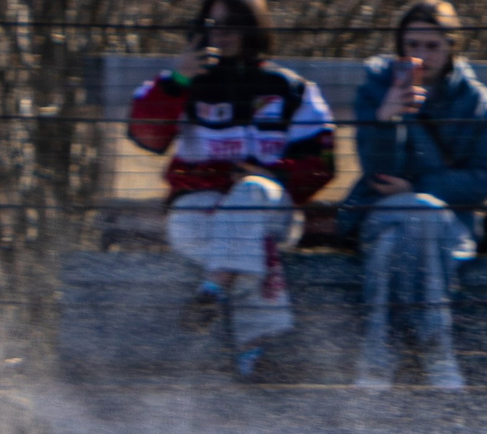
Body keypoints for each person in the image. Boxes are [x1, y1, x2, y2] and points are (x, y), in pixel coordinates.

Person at [128, 0, 335, 381]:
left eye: (233, 25)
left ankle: (213, 288)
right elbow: (147, 136)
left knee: (251, 194)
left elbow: (323, 164)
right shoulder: (180, 82)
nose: (221, 34)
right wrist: (178, 80)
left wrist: (273, 175)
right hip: (201, 210)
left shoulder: (290, 89)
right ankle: (253, 357)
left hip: (272, 206)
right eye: (212, 25)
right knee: (240, 242)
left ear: (254, 29)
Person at [338, 1, 487, 391]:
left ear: (452, 47)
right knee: (416, 220)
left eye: (432, 46)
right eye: (412, 44)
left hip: (445, 223)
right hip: (380, 210)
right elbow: (377, 172)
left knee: (400, 238)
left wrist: (420, 191)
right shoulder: (377, 88)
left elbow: (485, 176)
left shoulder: (477, 103)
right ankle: (435, 352)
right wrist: (385, 119)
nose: (421, 55)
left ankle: (377, 360)